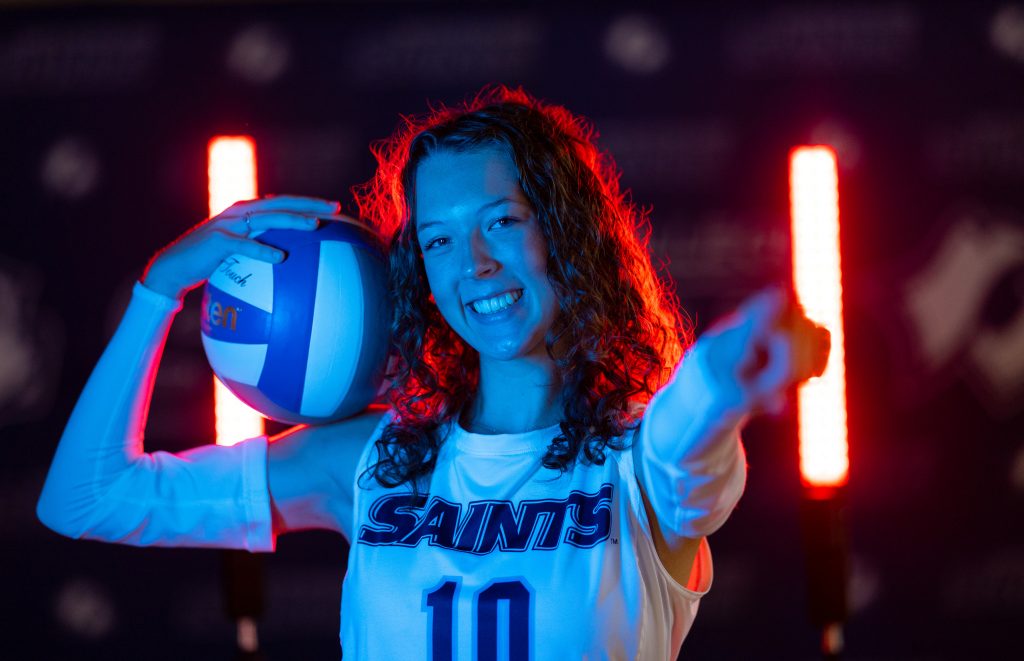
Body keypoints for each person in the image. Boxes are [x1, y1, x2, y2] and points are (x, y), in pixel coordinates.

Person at [37, 85, 829, 659]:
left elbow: (689, 450)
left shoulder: (631, 461)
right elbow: (85, 498)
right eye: (441, 240)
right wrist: (159, 290)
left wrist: (724, 376)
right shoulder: (374, 460)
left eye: (503, 221)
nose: (474, 265)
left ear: (565, 231)